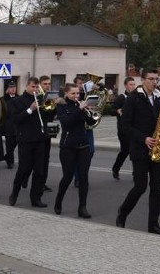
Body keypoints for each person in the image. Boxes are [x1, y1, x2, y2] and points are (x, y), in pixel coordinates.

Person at [116, 67, 160, 236]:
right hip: (140, 149)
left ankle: (153, 224)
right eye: (151, 79)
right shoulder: (133, 98)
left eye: (157, 79)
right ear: (142, 80)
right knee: (140, 186)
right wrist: (144, 139)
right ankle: (123, 212)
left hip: (157, 148)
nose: (155, 82)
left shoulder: (159, 97)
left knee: (156, 188)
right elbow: (125, 126)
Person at [8, 77, 52, 208]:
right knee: (23, 169)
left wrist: (52, 106)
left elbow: (47, 117)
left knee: (39, 171)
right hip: (25, 139)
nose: (35, 90)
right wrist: (30, 109)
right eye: (33, 87)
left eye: (36, 87)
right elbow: (15, 119)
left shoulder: (41, 99)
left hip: (40, 139)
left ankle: (36, 198)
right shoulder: (17, 101)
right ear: (27, 86)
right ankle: (14, 193)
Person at [54, 83, 94, 219]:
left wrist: (90, 111)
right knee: (68, 177)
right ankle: (59, 200)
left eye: (77, 93)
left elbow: (91, 122)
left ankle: (82, 207)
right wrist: (79, 109)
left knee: (84, 177)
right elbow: (66, 123)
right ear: (66, 94)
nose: (76, 96)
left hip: (83, 145)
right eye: (73, 93)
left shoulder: (80, 106)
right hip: (68, 146)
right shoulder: (61, 106)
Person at [111, 76, 136, 180]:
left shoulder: (136, 97)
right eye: (131, 84)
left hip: (135, 129)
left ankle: (136, 174)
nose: (133, 86)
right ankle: (116, 168)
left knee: (135, 151)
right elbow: (111, 110)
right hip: (123, 130)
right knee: (125, 151)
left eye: (134, 84)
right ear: (125, 86)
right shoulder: (121, 98)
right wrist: (117, 111)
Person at [0, 81, 19, 169]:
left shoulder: (19, 98)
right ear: (7, 89)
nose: (13, 89)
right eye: (11, 87)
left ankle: (7, 156)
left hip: (17, 125)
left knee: (15, 142)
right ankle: (10, 162)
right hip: (8, 125)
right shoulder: (3, 99)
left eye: (14, 87)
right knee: (9, 144)